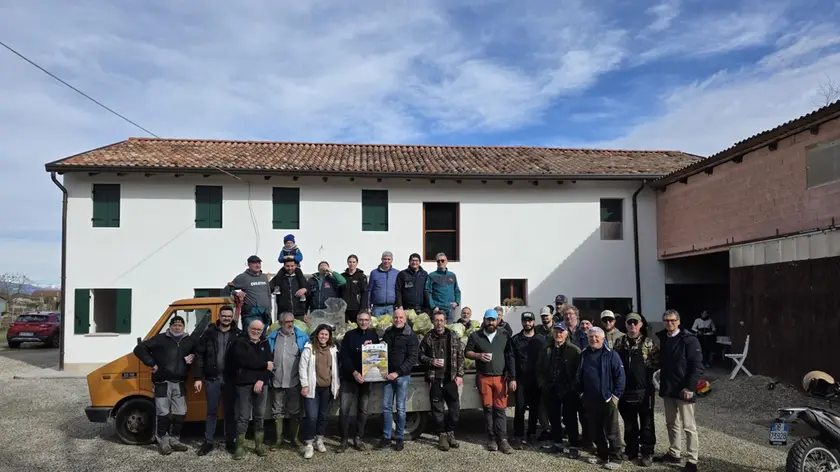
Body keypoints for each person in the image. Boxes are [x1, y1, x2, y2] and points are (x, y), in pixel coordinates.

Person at [133, 315, 197, 455]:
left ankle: (175, 440)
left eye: (180, 325)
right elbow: (139, 349)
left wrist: (193, 356)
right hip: (162, 382)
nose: (177, 327)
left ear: (183, 327)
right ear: (170, 326)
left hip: (179, 382)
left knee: (180, 413)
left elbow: (199, 352)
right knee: (163, 414)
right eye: (174, 325)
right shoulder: (160, 338)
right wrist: (151, 363)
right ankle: (163, 441)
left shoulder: (190, 340)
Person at [655, 309, 703, 472]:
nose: (669, 323)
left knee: (689, 427)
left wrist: (690, 386)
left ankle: (692, 460)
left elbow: (697, 366)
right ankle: (674, 453)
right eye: (667, 320)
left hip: (684, 389)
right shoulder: (662, 337)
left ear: (679, 321)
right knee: (671, 423)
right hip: (668, 388)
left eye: (672, 320)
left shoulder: (689, 340)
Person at [464, 308, 516, 454]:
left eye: (493, 320)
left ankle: (503, 439)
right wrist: (478, 356)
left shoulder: (504, 335)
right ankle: (491, 438)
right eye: (488, 319)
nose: (491, 322)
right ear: (484, 320)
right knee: (488, 409)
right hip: (484, 377)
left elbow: (510, 356)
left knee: (500, 410)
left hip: (500, 378)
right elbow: (467, 352)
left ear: (497, 321)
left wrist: (512, 376)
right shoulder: (475, 335)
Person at [612, 313, 660, 467]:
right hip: (625, 390)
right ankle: (631, 449)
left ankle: (647, 451)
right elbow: (614, 365)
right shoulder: (619, 343)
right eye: (629, 322)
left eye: (635, 322)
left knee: (647, 422)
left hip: (644, 390)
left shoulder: (649, 343)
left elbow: (657, 366)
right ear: (625, 325)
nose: (632, 325)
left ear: (640, 325)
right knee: (629, 422)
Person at [193, 306, 241, 456]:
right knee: (211, 411)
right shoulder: (208, 333)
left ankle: (230, 442)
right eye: (224, 315)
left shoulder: (238, 334)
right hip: (212, 378)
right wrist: (197, 378)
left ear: (232, 317)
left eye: (229, 316)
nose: (226, 318)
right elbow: (199, 355)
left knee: (230, 412)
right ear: (219, 316)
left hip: (230, 379)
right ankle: (208, 442)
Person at [577, 326, 625, 469]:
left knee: (612, 430)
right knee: (595, 429)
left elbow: (620, 377)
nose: (593, 339)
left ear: (603, 339)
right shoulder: (584, 354)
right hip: (590, 400)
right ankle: (602, 454)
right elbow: (578, 376)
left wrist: (615, 397)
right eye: (591, 337)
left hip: (607, 399)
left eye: (596, 336)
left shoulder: (611, 355)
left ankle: (616, 458)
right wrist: (581, 393)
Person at [419, 310, 465, 451]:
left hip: (450, 378)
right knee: (437, 409)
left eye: (441, 320)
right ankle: (442, 435)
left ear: (445, 322)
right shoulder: (428, 338)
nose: (439, 323)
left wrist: (460, 375)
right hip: (435, 378)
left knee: (454, 408)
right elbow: (420, 356)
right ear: (433, 321)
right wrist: (432, 361)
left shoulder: (453, 336)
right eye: (436, 320)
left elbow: (460, 356)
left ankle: (450, 432)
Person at [536, 321, 582, 458]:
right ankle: (557, 444)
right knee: (554, 418)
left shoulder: (574, 350)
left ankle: (573, 446)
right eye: (556, 331)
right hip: (551, 388)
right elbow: (539, 368)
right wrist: (542, 384)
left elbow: (579, 372)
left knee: (570, 418)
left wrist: (574, 387)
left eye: (561, 331)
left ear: (566, 333)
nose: (558, 334)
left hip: (568, 389)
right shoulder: (546, 349)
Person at [337, 310, 379, 452]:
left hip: (367, 379)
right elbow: (345, 357)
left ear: (370, 321)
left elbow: (377, 356)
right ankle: (343, 440)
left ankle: (358, 438)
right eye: (361, 320)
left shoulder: (374, 335)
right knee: (344, 410)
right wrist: (354, 373)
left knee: (363, 410)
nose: (364, 322)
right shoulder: (349, 336)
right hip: (350, 378)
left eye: (366, 320)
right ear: (357, 321)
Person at [231, 319, 274, 460]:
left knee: (259, 415)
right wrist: (263, 364)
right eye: (253, 329)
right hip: (243, 383)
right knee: (243, 416)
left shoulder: (265, 342)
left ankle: (258, 445)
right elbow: (245, 360)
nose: (256, 332)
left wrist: (262, 379)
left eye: (259, 330)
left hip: (261, 384)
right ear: (248, 328)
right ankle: (239, 447)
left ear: (262, 331)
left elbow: (270, 364)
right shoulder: (240, 342)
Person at [266, 312, 309, 451]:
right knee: (277, 410)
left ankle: (294, 439)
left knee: (295, 410)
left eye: (292, 321)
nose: (290, 324)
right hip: (277, 381)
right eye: (287, 322)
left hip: (295, 381)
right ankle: (278, 439)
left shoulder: (301, 337)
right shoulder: (271, 338)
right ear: (280, 323)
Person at [379, 308, 419, 451]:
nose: (398, 320)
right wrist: (375, 346)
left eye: (401, 318)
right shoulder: (388, 332)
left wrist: (397, 372)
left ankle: (400, 438)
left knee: (401, 409)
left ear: (405, 319)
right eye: (396, 317)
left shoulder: (411, 336)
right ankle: (386, 437)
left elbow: (412, 358)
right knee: (386, 408)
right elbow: (382, 348)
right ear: (392, 319)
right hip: (387, 376)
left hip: (402, 376)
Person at [299, 324, 340, 459]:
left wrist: (336, 387)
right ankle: (309, 444)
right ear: (317, 335)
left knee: (323, 416)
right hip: (312, 388)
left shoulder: (333, 349)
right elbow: (302, 367)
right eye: (321, 334)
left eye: (326, 335)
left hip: (327, 388)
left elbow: (335, 370)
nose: (323, 337)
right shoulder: (309, 348)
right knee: (311, 416)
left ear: (329, 337)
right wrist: (304, 385)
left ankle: (319, 439)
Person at [510, 311, 547, 449]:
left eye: (530, 320)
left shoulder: (541, 339)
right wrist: (512, 378)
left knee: (535, 409)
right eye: (525, 320)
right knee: (519, 408)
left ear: (534, 322)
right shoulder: (515, 340)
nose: (527, 323)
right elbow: (511, 360)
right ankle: (518, 435)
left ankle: (531, 434)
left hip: (537, 380)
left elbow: (546, 360)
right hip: (521, 379)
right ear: (522, 322)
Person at [229, 255, 273, 332]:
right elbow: (228, 288)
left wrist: (269, 311)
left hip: (265, 314)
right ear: (249, 264)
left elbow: (268, 294)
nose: (258, 265)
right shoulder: (243, 277)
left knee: (262, 338)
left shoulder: (264, 277)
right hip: (250, 314)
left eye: (259, 263)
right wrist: (236, 293)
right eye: (255, 263)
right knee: (249, 338)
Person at [425, 253, 461, 323]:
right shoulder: (431, 276)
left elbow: (457, 290)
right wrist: (433, 307)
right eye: (438, 261)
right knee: (438, 330)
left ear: (446, 262)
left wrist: (457, 302)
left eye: (442, 260)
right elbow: (427, 291)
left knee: (450, 330)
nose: (440, 262)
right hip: (438, 309)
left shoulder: (452, 275)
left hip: (450, 309)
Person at [368, 251, 399, 317]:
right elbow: (369, 290)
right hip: (377, 308)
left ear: (392, 260)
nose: (386, 261)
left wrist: (399, 305)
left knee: (392, 326)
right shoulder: (374, 273)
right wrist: (368, 306)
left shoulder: (396, 273)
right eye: (385, 259)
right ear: (381, 259)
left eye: (388, 259)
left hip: (391, 307)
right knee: (376, 326)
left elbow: (398, 290)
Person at [341, 254, 369, 324]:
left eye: (354, 262)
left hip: (357, 308)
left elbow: (364, 293)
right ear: (347, 262)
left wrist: (363, 308)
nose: (352, 264)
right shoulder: (342, 276)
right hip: (345, 309)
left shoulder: (361, 276)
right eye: (350, 262)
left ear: (357, 263)